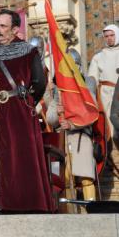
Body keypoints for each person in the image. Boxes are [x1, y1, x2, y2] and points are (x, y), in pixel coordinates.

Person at [0, 9, 53, 214]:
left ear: (15, 29)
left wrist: (23, 103)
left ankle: (25, 204)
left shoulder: (29, 52)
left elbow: (39, 84)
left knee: (21, 158)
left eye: (3, 26)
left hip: (19, 112)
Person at [46, 49, 97, 201]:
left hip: (82, 137)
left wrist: (72, 124)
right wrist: (57, 111)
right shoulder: (59, 89)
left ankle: (90, 209)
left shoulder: (86, 86)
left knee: (86, 178)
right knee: (67, 180)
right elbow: (50, 118)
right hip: (64, 138)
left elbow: (91, 114)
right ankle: (70, 212)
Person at [88, 24, 119, 141]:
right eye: (106, 36)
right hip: (105, 96)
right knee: (107, 128)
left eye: (112, 35)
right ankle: (111, 156)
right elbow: (92, 80)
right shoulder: (98, 57)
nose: (109, 38)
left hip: (118, 94)